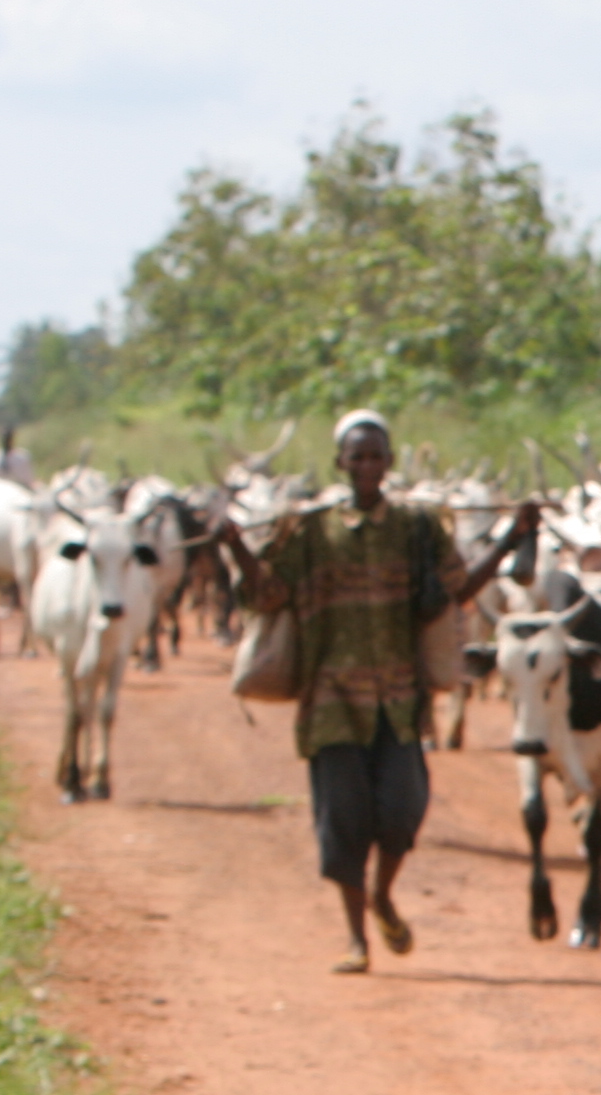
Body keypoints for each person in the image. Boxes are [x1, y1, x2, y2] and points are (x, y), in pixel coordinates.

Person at [217, 410, 520, 974]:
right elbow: (267, 595)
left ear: (389, 460)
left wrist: (512, 539)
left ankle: (383, 895)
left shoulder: (418, 527)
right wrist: (235, 548)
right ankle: (357, 938)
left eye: (376, 455)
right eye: (356, 456)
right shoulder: (308, 530)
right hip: (330, 705)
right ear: (341, 463)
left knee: (404, 812)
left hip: (399, 704)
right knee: (345, 825)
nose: (367, 466)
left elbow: (460, 589)